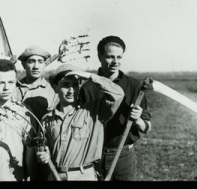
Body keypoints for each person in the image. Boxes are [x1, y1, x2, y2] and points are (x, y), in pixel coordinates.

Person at [79, 35, 152, 181]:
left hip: (123, 157)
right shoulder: (87, 88)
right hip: (93, 155)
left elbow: (146, 127)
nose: (115, 62)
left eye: (119, 57)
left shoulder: (135, 86)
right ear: (99, 56)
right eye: (110, 57)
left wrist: (137, 119)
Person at [36, 64, 124, 181]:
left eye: (75, 85)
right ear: (55, 88)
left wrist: (90, 76)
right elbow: (42, 150)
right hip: (55, 175)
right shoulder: (46, 119)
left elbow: (118, 94)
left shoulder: (93, 111)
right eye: (66, 85)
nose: (71, 91)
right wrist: (42, 156)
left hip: (84, 175)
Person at [13, 45, 59, 180]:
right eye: (31, 61)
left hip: (45, 152)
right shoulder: (12, 89)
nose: (36, 66)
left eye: (40, 62)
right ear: (23, 64)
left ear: (45, 65)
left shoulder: (53, 90)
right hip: (18, 150)